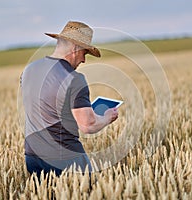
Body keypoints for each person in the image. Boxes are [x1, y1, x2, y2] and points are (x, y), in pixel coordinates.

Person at [20, 21, 119, 179]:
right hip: (64, 158)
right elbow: (88, 125)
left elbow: (47, 106)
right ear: (75, 48)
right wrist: (107, 117)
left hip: (32, 157)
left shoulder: (29, 70)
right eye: (84, 54)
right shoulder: (74, 79)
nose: (84, 60)